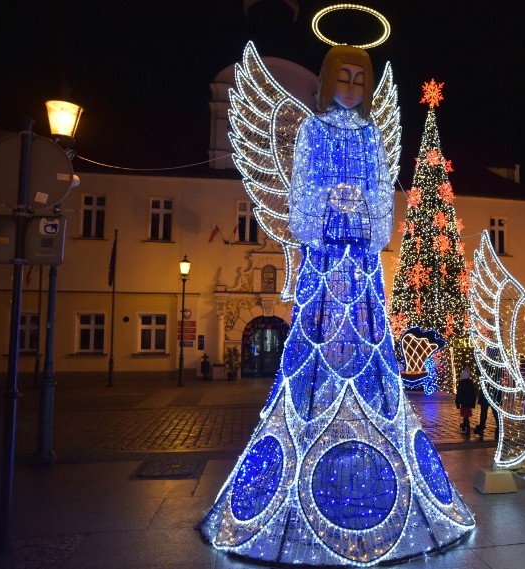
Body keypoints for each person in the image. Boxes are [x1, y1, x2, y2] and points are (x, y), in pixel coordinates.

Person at [200, 44, 474, 566]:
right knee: (316, 341)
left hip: (362, 264)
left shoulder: (371, 136)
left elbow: (382, 192)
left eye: (359, 79)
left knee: (369, 342)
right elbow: (301, 196)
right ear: (328, 82)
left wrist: (368, 210)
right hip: (326, 255)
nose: (351, 87)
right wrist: (330, 203)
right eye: (343, 77)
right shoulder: (312, 131)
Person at [455, 366, 477, 436]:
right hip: (469, 401)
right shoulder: (470, 383)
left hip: (463, 402)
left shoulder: (461, 384)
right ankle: (465, 425)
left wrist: (457, 403)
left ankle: (466, 426)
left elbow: (459, 394)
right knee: (466, 414)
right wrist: (473, 403)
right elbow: (473, 394)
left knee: (465, 414)